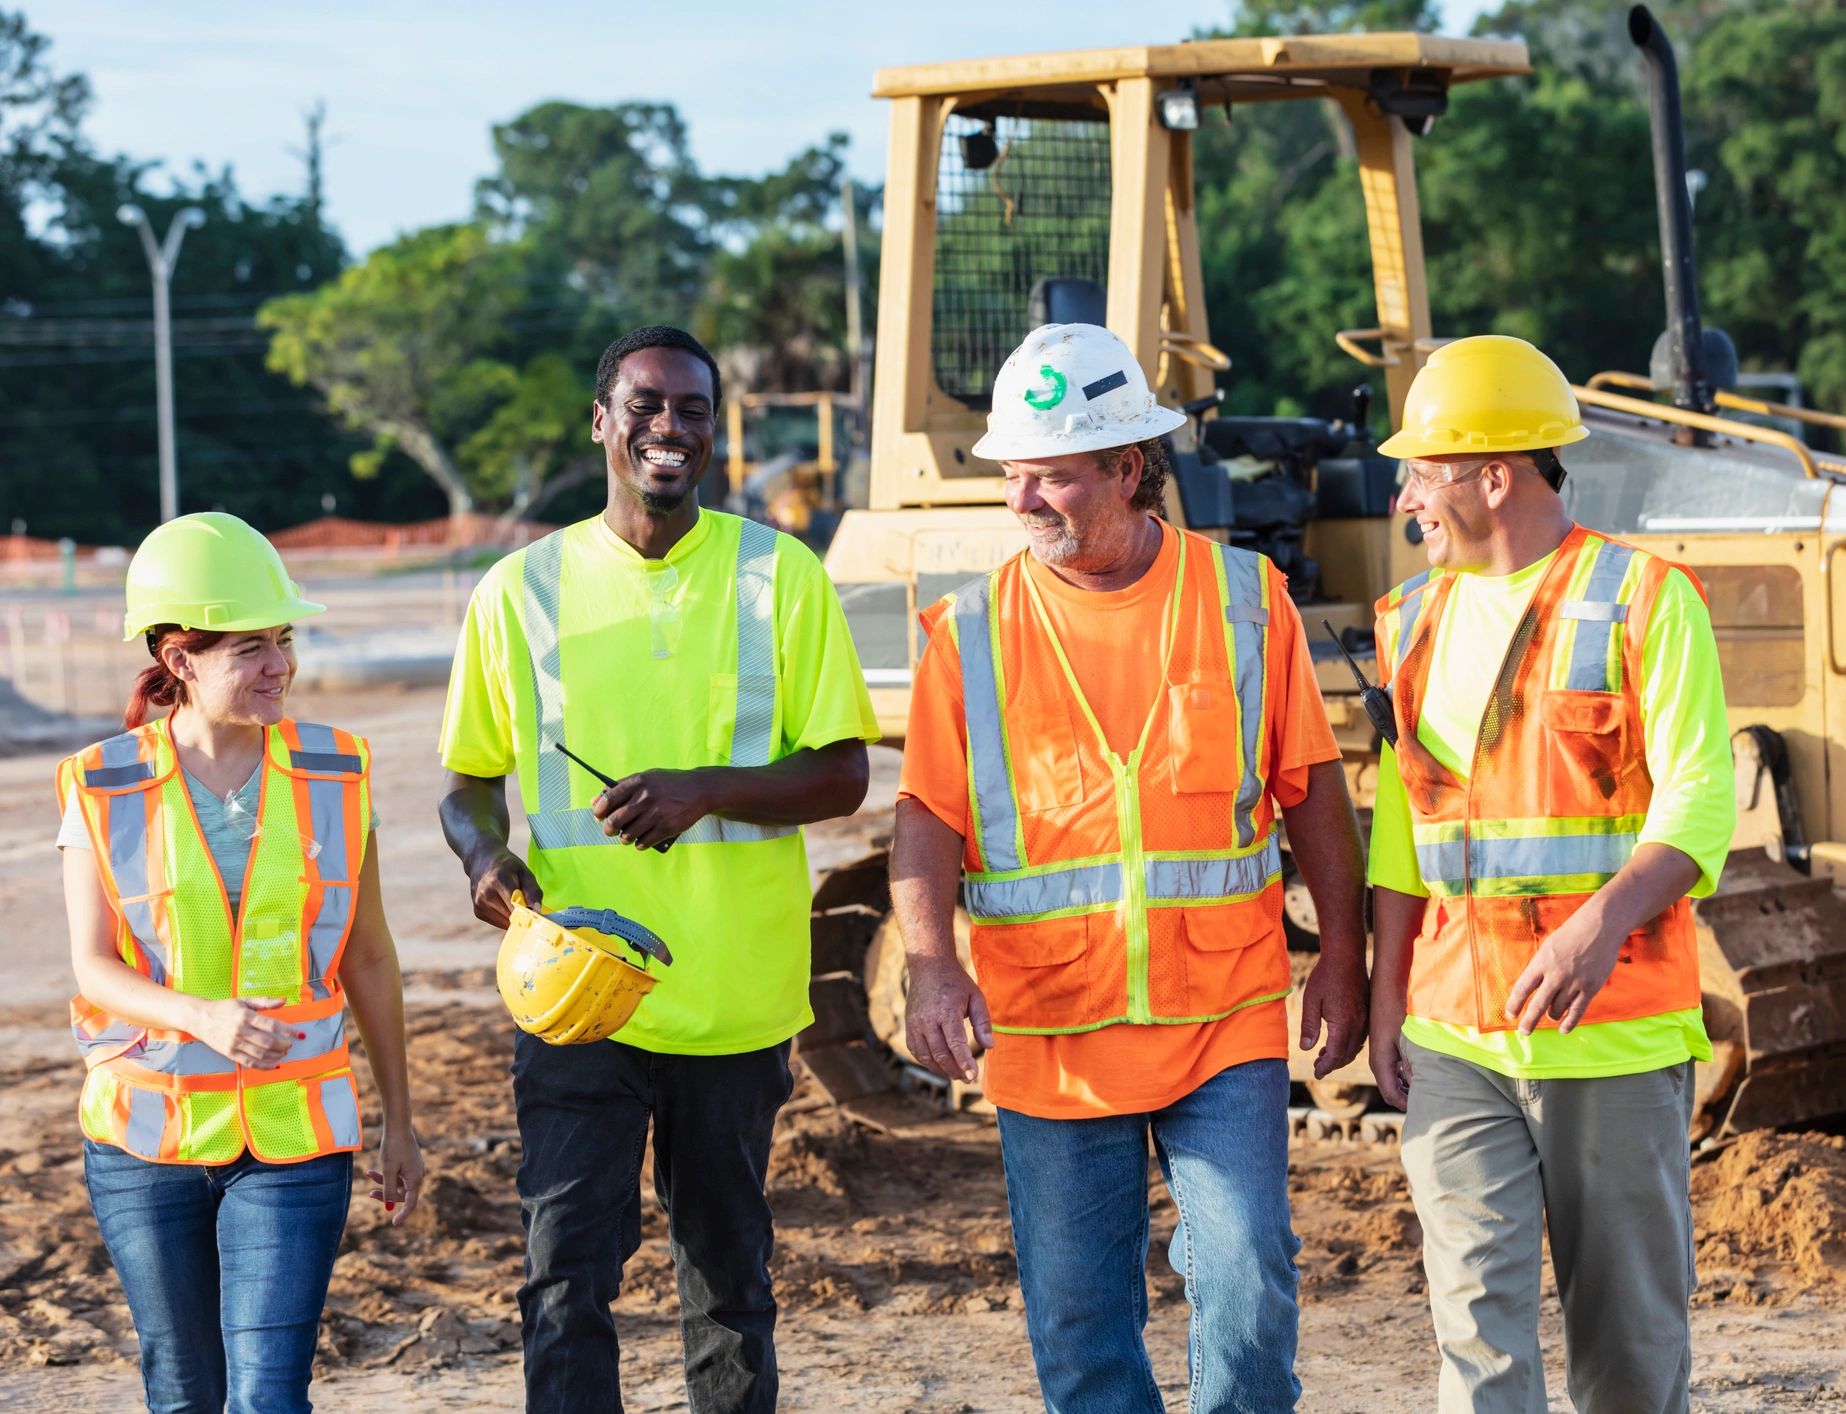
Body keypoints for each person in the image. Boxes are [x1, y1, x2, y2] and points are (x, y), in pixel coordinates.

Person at [891, 323, 1369, 1413]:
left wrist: (1341, 957)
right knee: (1082, 1326)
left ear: (1127, 467)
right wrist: (928, 961)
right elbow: (926, 814)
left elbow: (1313, 790)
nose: (1020, 502)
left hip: (1223, 1017)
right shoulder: (970, 632)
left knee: (1248, 1282)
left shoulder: (1247, 600)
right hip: (1051, 1032)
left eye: (1049, 475)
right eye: (1012, 474)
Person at [437, 324, 879, 1414]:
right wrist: (483, 855)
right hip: (576, 996)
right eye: (646, 406)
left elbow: (843, 776)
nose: (668, 428)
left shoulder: (783, 575)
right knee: (562, 1278)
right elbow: (465, 784)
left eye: (692, 409)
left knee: (729, 1283)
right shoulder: (517, 591)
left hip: (731, 1000)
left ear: (715, 433)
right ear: (603, 423)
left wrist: (707, 787)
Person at [1363, 335, 1734, 1414]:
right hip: (1454, 1039)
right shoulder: (1410, 619)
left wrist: (1597, 926)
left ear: (1495, 475)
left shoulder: (1644, 599)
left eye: (1422, 474)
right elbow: (1406, 828)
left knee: (1625, 1355)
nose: (1403, 500)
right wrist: (1391, 994)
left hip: (1609, 1035)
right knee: (1476, 1341)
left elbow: (1698, 801)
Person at [57, 511, 422, 1414]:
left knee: (268, 1399)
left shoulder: (338, 770)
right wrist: (201, 1016)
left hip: (296, 1137)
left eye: (285, 640)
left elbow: (370, 958)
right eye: (252, 647)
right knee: (183, 1393)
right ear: (180, 660)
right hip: (146, 1137)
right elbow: (93, 969)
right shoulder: (100, 784)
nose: (281, 667)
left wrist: (401, 1121)